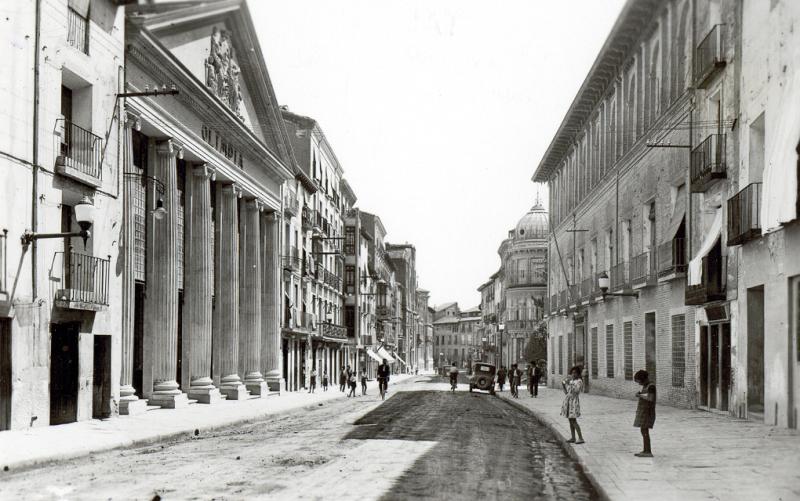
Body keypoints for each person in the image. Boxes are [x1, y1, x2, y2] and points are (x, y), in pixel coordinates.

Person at [633, 369, 656, 457]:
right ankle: (645, 450)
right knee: (643, 431)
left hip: (648, 413)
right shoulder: (646, 386)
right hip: (644, 412)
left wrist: (639, 395)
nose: (639, 383)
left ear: (643, 379)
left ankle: (648, 451)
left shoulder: (651, 386)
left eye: (639, 381)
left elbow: (650, 398)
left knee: (645, 431)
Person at [561, 365, 585, 444]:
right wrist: (563, 385)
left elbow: (576, 391)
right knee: (570, 420)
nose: (573, 374)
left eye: (575, 373)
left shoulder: (579, 381)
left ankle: (581, 438)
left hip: (574, 402)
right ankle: (573, 437)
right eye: (572, 373)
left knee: (574, 420)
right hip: (568, 401)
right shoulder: (571, 381)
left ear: (578, 374)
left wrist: (569, 383)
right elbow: (566, 392)